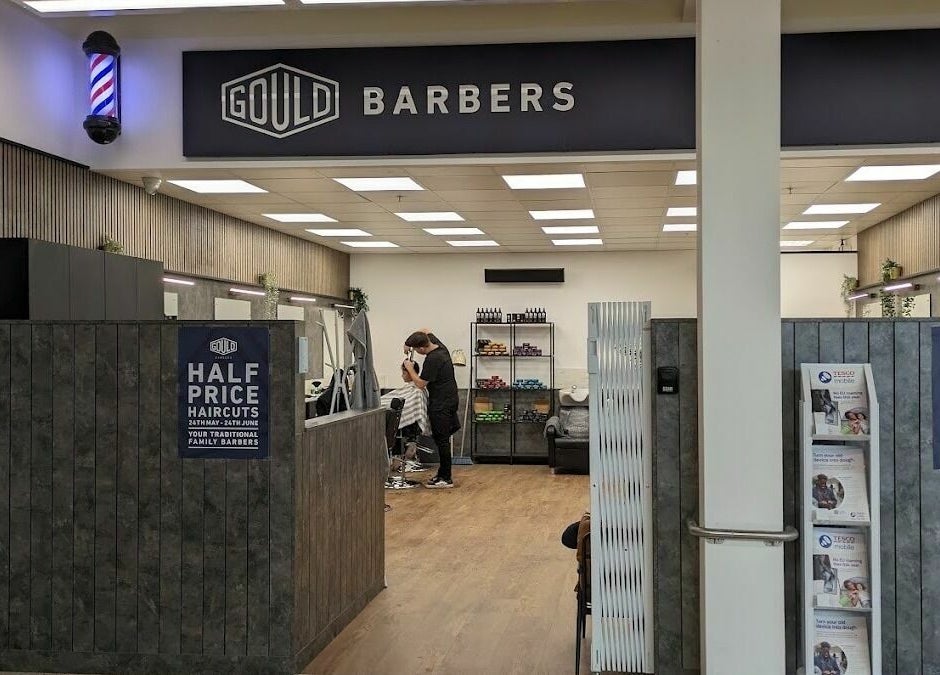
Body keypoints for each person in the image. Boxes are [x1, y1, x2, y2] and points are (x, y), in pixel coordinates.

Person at [403, 330, 460, 488]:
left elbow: (421, 384)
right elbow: (426, 329)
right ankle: (442, 474)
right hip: (449, 399)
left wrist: (410, 368)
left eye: (416, 350)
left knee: (442, 440)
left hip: (442, 403)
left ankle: (446, 478)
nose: (417, 352)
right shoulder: (439, 346)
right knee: (441, 439)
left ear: (422, 348)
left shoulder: (433, 359)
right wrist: (407, 344)